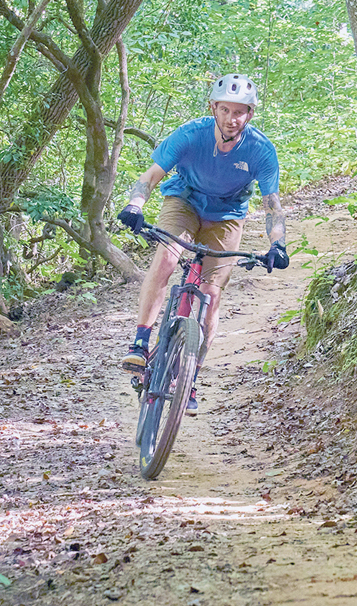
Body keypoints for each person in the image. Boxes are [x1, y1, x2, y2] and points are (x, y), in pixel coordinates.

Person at [116, 73, 288, 412]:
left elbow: (272, 204)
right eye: (225, 110)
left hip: (227, 215)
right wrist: (135, 204)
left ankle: (190, 374)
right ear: (214, 107)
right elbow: (150, 177)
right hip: (184, 201)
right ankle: (140, 341)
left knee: (211, 293)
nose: (231, 119)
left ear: (249, 115)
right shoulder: (190, 135)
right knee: (167, 257)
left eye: (240, 112)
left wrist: (278, 243)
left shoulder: (260, 150)